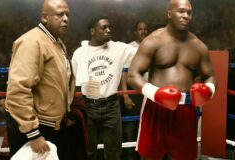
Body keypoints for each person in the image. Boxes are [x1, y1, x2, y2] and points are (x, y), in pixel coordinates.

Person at [127, 0, 217, 159]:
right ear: (169, 14)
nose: (186, 16)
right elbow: (133, 75)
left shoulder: (198, 46)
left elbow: (210, 76)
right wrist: (157, 93)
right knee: (150, 157)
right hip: (156, 107)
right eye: (181, 11)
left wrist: (208, 89)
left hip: (185, 109)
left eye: (189, 12)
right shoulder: (153, 40)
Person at [5, 0, 75, 159]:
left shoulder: (55, 41)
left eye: (67, 14)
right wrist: (33, 133)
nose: (66, 19)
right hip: (35, 127)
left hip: (50, 124)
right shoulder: (32, 42)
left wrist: (65, 114)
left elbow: (55, 82)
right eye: (60, 14)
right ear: (44, 17)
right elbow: (18, 89)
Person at [71, 16, 136, 160]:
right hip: (88, 106)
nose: (108, 30)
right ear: (93, 31)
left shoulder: (118, 48)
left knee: (113, 152)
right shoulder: (80, 53)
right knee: (88, 151)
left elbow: (143, 52)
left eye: (109, 26)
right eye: (104, 27)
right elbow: (74, 79)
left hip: (111, 106)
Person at [121, 20, 149, 160]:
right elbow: (124, 72)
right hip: (134, 92)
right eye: (140, 29)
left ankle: (144, 155)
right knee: (131, 126)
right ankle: (130, 156)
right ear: (135, 32)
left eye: (145, 29)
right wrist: (126, 95)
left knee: (147, 125)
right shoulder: (129, 48)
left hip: (149, 91)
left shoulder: (151, 45)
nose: (143, 31)